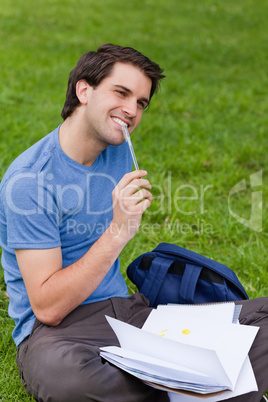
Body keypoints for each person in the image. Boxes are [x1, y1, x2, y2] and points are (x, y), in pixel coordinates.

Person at [0, 43, 267, 402]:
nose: (131, 111)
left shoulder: (117, 151)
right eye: (121, 93)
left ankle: (185, 383)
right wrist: (119, 231)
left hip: (129, 313)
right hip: (60, 334)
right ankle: (206, 385)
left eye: (141, 102)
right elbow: (48, 307)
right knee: (70, 381)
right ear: (84, 90)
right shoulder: (31, 181)